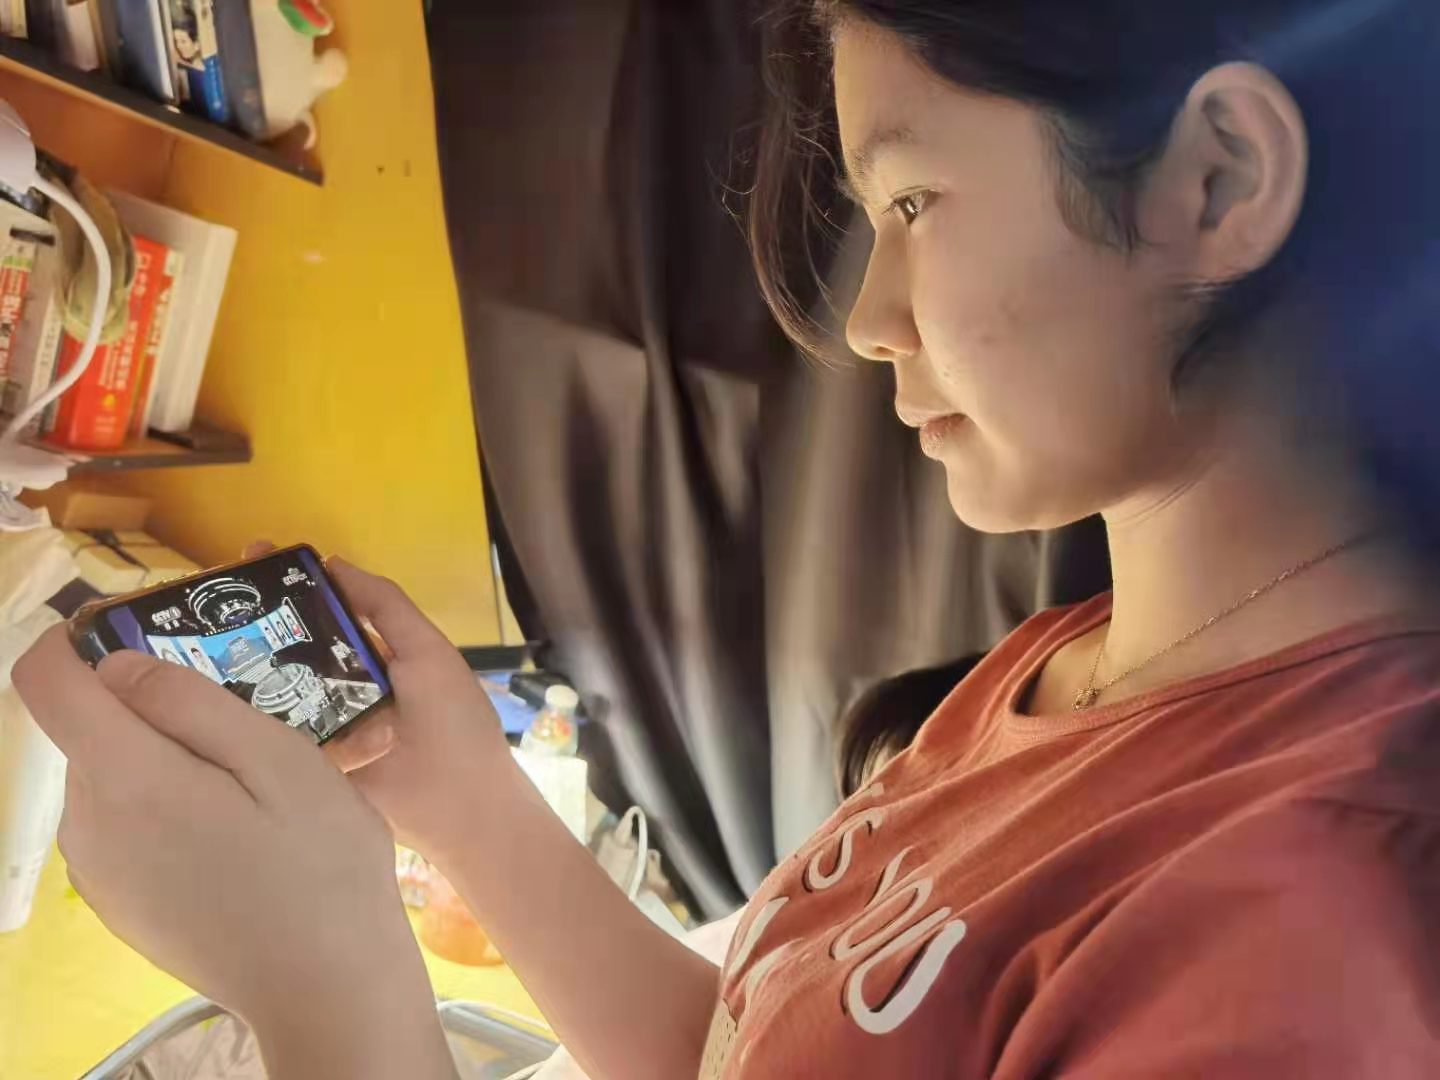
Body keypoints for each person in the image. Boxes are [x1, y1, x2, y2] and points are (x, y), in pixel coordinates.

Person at [14, 2, 1440, 1077]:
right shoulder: (1073, 663)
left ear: (1219, 180)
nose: (867, 321)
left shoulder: (1318, 936)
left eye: (913, 203)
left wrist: (326, 994)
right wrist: (461, 797)